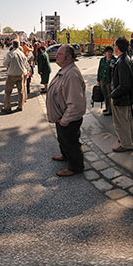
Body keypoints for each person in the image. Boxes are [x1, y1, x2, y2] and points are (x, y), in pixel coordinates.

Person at [46, 45, 87, 176]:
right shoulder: (65, 69)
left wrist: (65, 120)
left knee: (71, 142)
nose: (56, 56)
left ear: (69, 58)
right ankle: (65, 156)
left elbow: (76, 103)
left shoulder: (72, 75)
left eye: (60, 54)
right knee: (63, 140)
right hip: (61, 117)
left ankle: (75, 167)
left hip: (68, 119)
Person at [108, 37, 133, 152]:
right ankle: (131, 139)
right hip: (125, 97)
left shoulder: (122, 62)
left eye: (114, 45)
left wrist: (113, 94)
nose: (113, 46)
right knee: (127, 120)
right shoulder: (125, 58)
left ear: (118, 47)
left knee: (120, 122)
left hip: (121, 97)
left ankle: (126, 144)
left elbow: (124, 85)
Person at [1, 40, 29, 113]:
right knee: (20, 91)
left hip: (12, 75)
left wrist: (9, 66)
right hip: (20, 75)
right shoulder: (22, 54)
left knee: (8, 92)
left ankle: (7, 107)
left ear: (13, 45)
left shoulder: (10, 54)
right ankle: (20, 106)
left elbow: (5, 63)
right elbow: (26, 64)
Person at [97, 46, 114, 116]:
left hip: (109, 81)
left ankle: (110, 110)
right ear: (105, 53)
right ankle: (107, 108)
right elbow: (99, 70)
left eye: (110, 52)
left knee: (110, 95)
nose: (109, 53)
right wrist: (98, 80)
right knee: (105, 95)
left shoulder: (113, 60)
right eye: (108, 52)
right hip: (102, 80)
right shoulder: (102, 60)